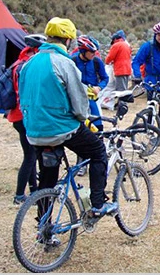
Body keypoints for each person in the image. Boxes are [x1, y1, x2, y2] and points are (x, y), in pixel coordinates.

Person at [18, 17, 117, 218]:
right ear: (68, 40)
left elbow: (22, 97)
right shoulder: (64, 63)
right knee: (98, 152)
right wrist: (84, 118)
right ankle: (97, 205)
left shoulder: (28, 64)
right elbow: (80, 106)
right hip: (62, 129)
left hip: (35, 132)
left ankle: (44, 228)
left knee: (47, 179)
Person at [8, 33, 46, 205]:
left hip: (17, 116)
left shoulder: (19, 63)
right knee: (30, 156)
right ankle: (18, 195)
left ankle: (33, 190)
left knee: (30, 154)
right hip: (23, 116)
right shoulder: (26, 66)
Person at [71, 35, 109, 176]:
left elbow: (105, 78)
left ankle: (100, 158)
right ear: (83, 51)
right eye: (92, 52)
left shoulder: (97, 62)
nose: (94, 54)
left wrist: (99, 87)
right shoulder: (73, 60)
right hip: (78, 100)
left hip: (93, 100)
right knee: (81, 130)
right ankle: (81, 163)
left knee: (98, 127)